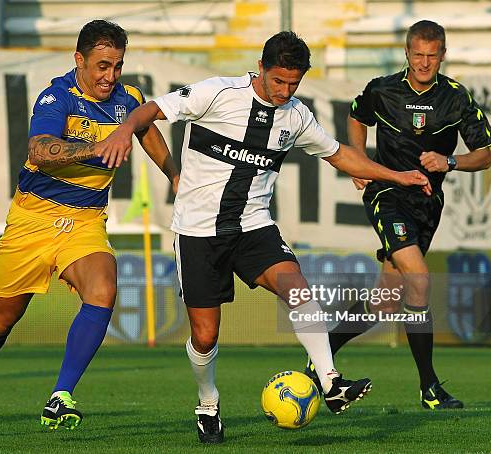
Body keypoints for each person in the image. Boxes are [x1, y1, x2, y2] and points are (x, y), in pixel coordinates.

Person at [100, 31, 431, 443]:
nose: (285, 91)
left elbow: (340, 154)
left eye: (294, 83)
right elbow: (149, 109)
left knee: (297, 287)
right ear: (261, 68)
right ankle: (207, 403)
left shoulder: (296, 115)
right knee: (205, 335)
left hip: (254, 227)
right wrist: (122, 131)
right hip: (198, 232)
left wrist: (396, 175)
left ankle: (330, 382)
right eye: (279, 81)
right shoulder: (217, 93)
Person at [0, 20, 179, 434]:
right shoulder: (57, 97)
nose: (111, 76)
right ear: (79, 60)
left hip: (85, 220)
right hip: (32, 219)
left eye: (117, 66)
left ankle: (61, 395)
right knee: (0, 321)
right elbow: (39, 150)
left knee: (104, 287)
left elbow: (146, 130)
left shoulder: (129, 99)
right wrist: (99, 146)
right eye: (102, 66)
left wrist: (175, 176)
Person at [305, 20, 491, 410]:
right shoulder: (382, 89)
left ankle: (320, 353)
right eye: (418, 55)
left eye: (432, 56)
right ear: (407, 54)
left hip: (428, 203)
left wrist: (450, 160)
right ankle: (429, 388)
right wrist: (359, 163)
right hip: (388, 193)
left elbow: (485, 154)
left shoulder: (456, 98)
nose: (424, 63)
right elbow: (357, 117)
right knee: (420, 281)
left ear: (442, 55)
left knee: (386, 301)